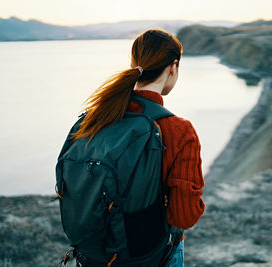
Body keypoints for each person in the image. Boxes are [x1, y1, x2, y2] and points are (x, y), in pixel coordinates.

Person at [70, 28, 205, 266]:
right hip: (153, 255)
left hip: (96, 253)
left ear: (135, 64)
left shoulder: (97, 117)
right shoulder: (179, 130)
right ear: (173, 67)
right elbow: (184, 216)